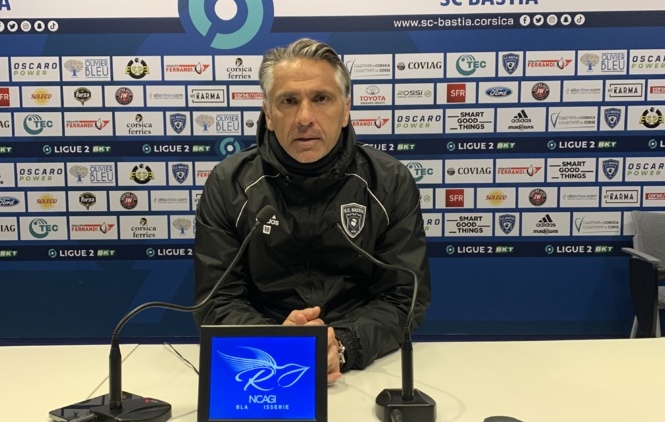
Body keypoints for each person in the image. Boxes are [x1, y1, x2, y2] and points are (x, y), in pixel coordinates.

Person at [194, 38, 431, 384]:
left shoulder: (389, 181)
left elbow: (404, 297)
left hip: (365, 364)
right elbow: (217, 300)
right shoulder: (229, 183)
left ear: (345, 110)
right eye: (289, 101)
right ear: (269, 114)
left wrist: (343, 344)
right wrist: (280, 343)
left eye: (321, 99)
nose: (305, 118)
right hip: (260, 362)